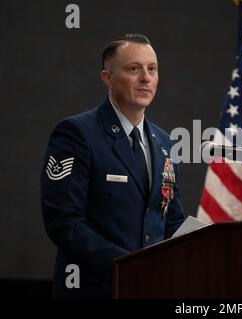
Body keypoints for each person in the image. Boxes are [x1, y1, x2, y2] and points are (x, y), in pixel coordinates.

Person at [41, 33, 186, 298]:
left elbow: (171, 220)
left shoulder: (166, 143)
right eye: (134, 69)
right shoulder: (77, 134)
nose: (146, 78)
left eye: (152, 69)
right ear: (107, 78)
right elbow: (64, 222)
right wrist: (128, 266)